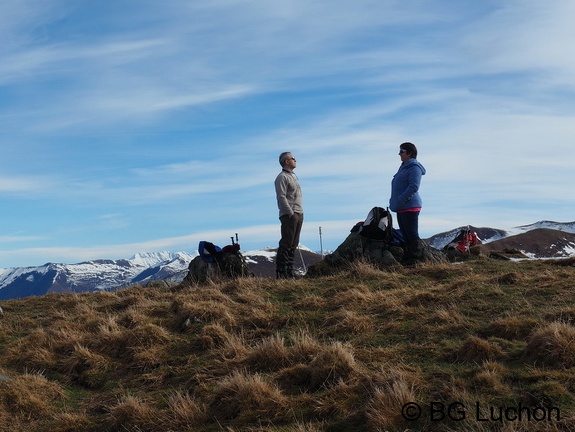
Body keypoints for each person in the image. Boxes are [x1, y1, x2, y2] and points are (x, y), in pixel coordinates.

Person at [389, 142, 426, 265]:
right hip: (401, 207)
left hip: (410, 207)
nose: (399, 154)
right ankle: (408, 259)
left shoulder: (414, 167)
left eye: (402, 151)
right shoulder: (403, 167)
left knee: (411, 234)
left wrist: (401, 199)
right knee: (405, 234)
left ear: (409, 153)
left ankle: (415, 259)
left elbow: (414, 186)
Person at [274, 152, 303, 278]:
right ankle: (282, 272)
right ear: (286, 161)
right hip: (289, 214)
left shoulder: (294, 176)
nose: (295, 160)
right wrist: (290, 212)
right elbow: (281, 196)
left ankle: (289, 271)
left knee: (294, 243)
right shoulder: (282, 177)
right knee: (286, 243)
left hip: (299, 212)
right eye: (293, 158)